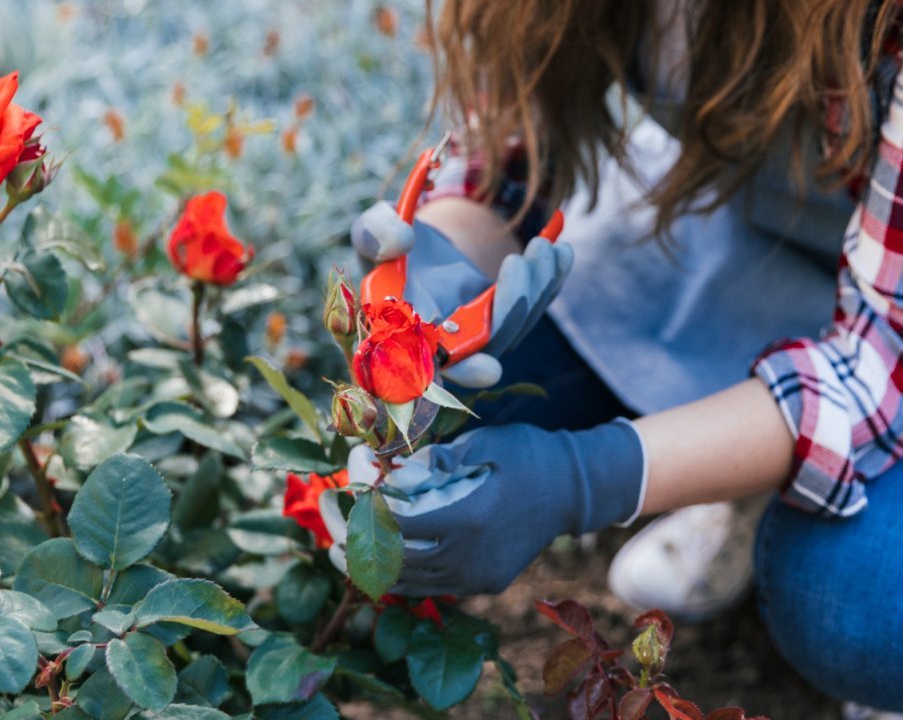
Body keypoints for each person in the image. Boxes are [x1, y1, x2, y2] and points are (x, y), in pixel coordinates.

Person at [343, 0, 903, 713]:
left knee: (851, 598)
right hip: (760, 236)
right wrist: (444, 253)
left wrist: (585, 478)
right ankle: (745, 471)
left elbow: (884, 355)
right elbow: (512, 145)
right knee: (466, 395)